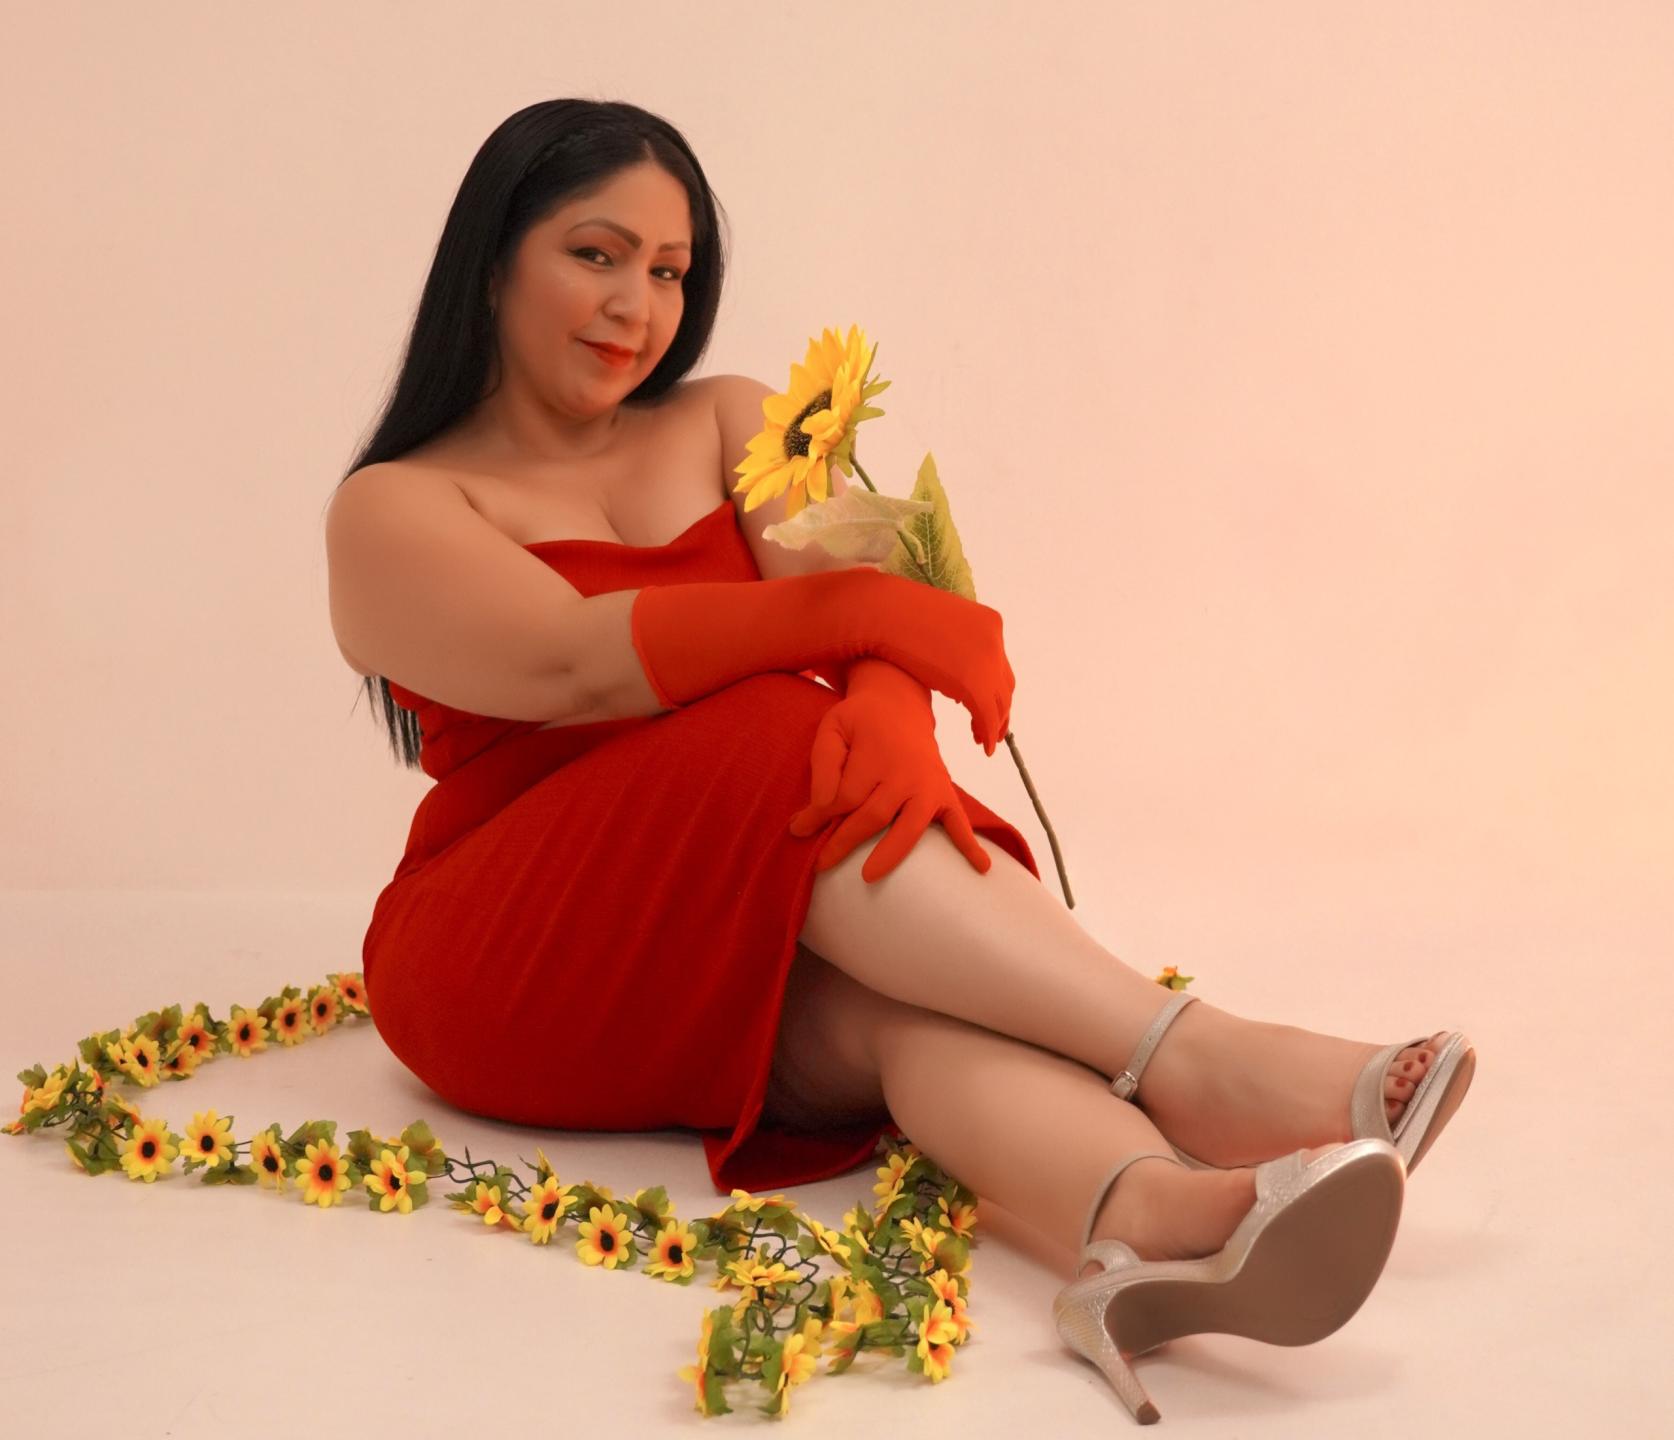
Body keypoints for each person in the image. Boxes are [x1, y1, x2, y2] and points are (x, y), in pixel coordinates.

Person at [322, 98, 1477, 1423]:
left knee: (896, 1017)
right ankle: (1200, 1059)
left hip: (756, 876)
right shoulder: (394, 508)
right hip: (512, 947)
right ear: (490, 260)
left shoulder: (730, 420)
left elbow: (870, 601)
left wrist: (887, 702)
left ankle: (1154, 1222)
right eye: (596, 254)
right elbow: (578, 662)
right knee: (769, 726)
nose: (637, 306)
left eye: (669, 270)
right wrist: (863, 623)